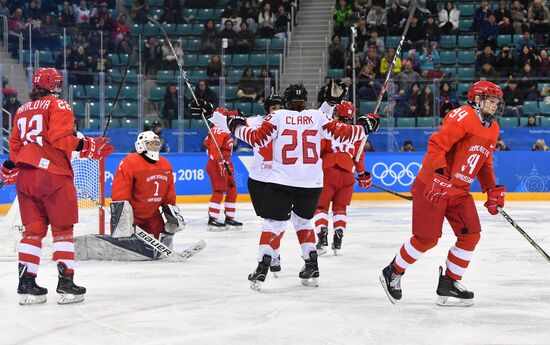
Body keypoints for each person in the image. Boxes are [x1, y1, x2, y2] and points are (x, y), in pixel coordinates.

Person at [192, 81, 380, 290]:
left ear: (286, 102)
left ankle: (263, 265)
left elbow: (255, 138)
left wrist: (234, 125)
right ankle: (311, 264)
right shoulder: (317, 117)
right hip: (311, 183)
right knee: (303, 223)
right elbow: (345, 134)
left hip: (282, 181)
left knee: (272, 224)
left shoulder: (278, 117)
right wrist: (365, 126)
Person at [380, 81, 505, 307]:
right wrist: (439, 174)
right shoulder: (463, 116)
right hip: (434, 185)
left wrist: (491, 190)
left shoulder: (493, 128)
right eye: (491, 100)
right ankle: (392, 271)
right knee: (426, 239)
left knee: (471, 235)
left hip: (460, 191)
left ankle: (449, 282)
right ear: (477, 99)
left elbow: (484, 164)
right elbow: (436, 144)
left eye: (497, 102)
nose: (495, 105)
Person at [2, 68, 113, 305]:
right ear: (54, 85)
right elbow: (60, 139)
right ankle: (66, 285)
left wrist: (13, 166)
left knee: (33, 232)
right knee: (63, 230)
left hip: (26, 178)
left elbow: (14, 146)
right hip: (53, 175)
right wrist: (87, 145)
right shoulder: (58, 105)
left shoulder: (21, 110)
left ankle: (27, 285)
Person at [314, 101, 373, 256]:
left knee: (321, 208)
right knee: (340, 209)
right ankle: (338, 235)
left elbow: (318, 149)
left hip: (328, 170)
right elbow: (358, 158)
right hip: (347, 174)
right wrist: (362, 175)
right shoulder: (357, 133)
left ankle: (322, 236)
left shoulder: (329, 127)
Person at [203, 113, 242, 230]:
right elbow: (214, 151)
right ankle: (212, 219)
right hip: (218, 163)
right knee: (218, 190)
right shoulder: (218, 130)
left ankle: (229, 217)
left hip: (226, 162)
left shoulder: (224, 129)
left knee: (232, 189)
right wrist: (219, 162)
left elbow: (207, 144)